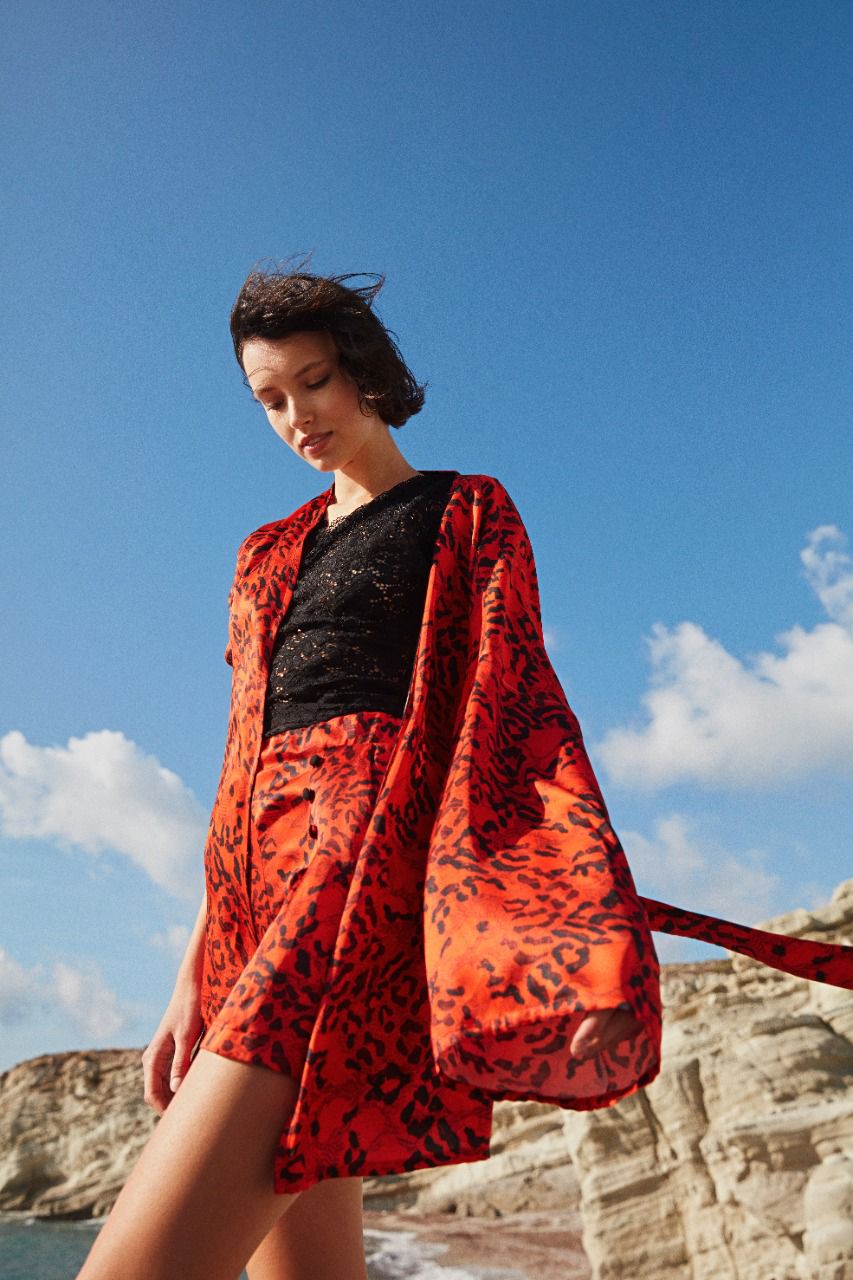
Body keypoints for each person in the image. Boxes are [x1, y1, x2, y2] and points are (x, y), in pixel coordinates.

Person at [77, 264, 853, 1280]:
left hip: (352, 881)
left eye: (314, 380)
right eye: (269, 398)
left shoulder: (466, 510)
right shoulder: (263, 554)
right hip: (249, 897)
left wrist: (585, 937)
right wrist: (193, 971)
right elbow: (238, 760)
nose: (296, 415)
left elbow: (519, 717)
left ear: (363, 370)